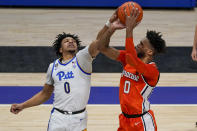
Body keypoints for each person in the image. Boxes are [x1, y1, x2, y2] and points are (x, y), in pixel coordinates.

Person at [10, 11, 118, 131]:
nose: (71, 41)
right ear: (61, 49)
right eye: (67, 41)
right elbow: (45, 94)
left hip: (79, 119)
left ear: (77, 47)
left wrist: (109, 25)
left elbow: (98, 43)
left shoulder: (82, 59)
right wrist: (23, 105)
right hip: (58, 118)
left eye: (73, 41)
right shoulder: (53, 67)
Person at [97, 7, 166, 131]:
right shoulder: (127, 59)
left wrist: (129, 29)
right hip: (125, 120)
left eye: (141, 45)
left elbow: (132, 60)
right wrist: (112, 28)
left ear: (149, 51)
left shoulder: (152, 71)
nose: (137, 45)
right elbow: (101, 47)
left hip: (142, 122)